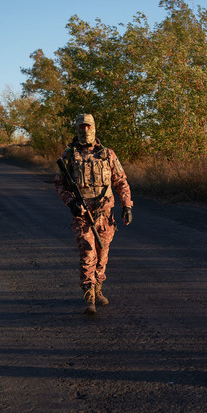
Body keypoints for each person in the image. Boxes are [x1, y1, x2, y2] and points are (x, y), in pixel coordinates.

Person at [55, 113, 133, 315]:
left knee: (102, 255)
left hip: (105, 216)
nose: (85, 130)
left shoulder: (108, 154)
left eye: (88, 126)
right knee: (88, 254)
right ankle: (89, 294)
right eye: (81, 127)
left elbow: (120, 180)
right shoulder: (69, 156)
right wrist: (71, 203)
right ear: (77, 129)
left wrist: (127, 205)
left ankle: (98, 289)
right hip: (82, 216)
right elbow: (60, 185)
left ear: (94, 127)